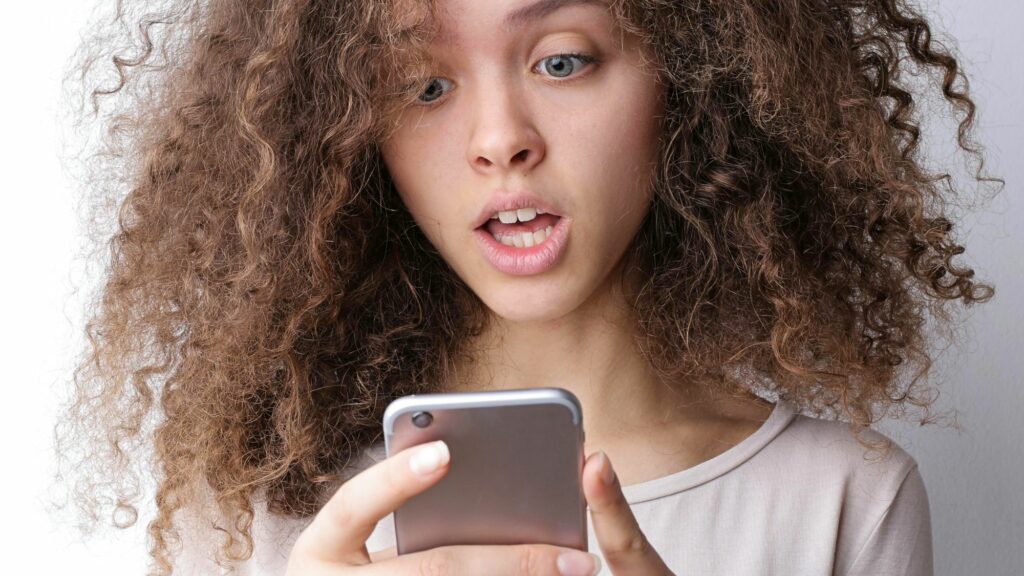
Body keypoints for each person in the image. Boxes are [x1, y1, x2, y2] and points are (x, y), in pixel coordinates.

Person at [55, 0, 998, 574]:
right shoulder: (264, 511)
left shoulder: (843, 501)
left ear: (700, 79)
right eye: (424, 85)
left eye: (561, 59)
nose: (499, 137)